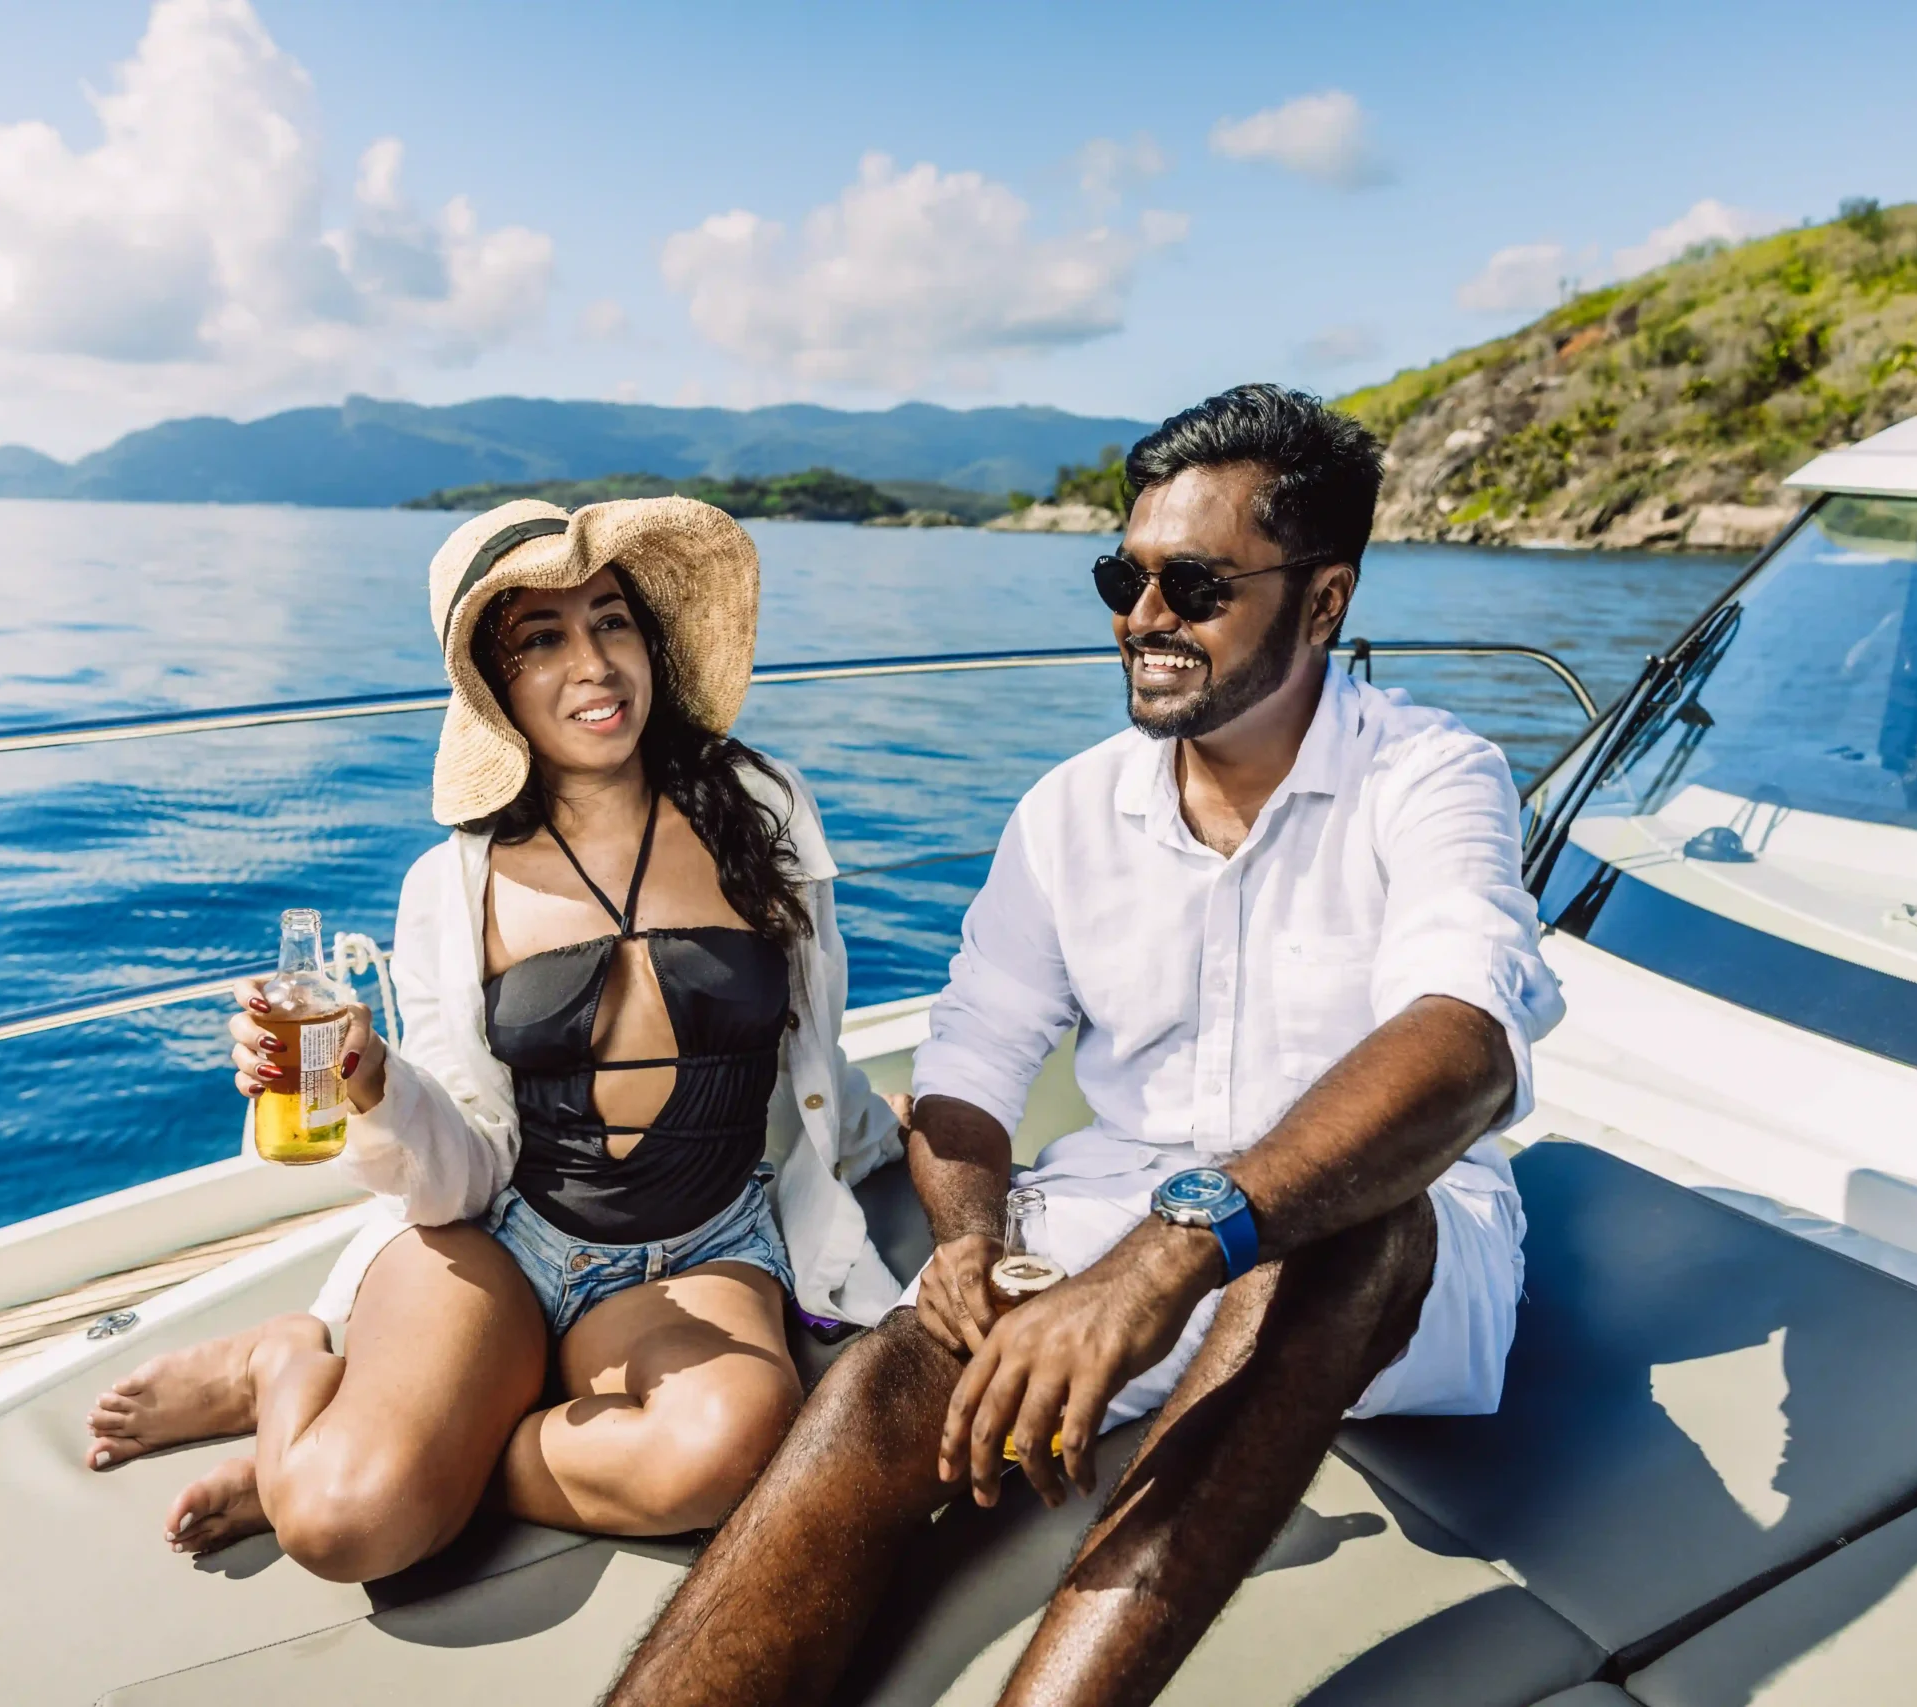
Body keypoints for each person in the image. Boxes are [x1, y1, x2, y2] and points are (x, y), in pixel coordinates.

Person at [607, 385, 1565, 1707]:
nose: (1142, 613)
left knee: (1347, 1234)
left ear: (1326, 600)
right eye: (1124, 572)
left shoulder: (1433, 776)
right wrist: (971, 1246)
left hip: (1382, 1260)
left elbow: (1463, 1044)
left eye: (1194, 582)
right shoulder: (1068, 810)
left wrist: (1168, 1254)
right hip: (1110, 1207)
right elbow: (966, 1068)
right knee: (895, 1370)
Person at [82, 497, 909, 1580]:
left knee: (727, 1448)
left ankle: (426, 1452)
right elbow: (462, 1158)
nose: (595, 666)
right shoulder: (453, 885)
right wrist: (375, 1083)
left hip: (705, 1247)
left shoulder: (761, 810)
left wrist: (879, 1127)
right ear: (493, 685)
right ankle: (286, 1368)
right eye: (542, 639)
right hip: (507, 1238)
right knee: (340, 1528)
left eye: (611, 622)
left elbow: (803, 1050)